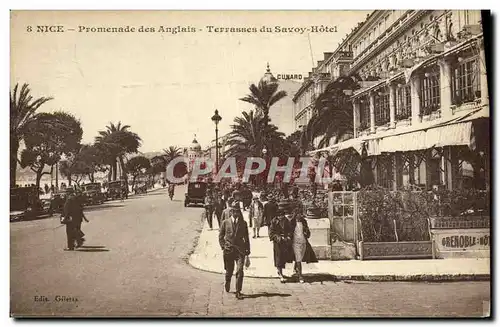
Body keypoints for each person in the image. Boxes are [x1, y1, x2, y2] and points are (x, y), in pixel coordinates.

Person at [218, 202, 250, 300]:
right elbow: (220, 237)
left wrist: (248, 250)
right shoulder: (225, 222)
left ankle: (238, 291)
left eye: (238, 211)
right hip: (229, 250)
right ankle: (227, 281)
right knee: (229, 271)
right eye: (234, 211)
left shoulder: (243, 223)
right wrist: (223, 246)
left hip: (240, 251)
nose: (236, 213)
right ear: (231, 212)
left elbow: (246, 238)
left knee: (240, 270)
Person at [288, 206, 318, 283]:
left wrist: (306, 233)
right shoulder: (292, 222)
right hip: (295, 242)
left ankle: (295, 269)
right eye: (298, 214)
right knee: (298, 258)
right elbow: (289, 232)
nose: (300, 215)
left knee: (300, 257)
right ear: (295, 214)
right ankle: (300, 276)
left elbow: (307, 231)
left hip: (303, 242)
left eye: (301, 214)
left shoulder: (304, 221)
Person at [269, 204, 294, 283]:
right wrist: (279, 238)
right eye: (279, 216)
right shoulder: (274, 221)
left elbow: (290, 230)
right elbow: (271, 233)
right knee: (278, 257)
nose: (281, 217)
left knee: (284, 258)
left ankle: (280, 271)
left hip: (286, 242)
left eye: (282, 216)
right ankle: (280, 274)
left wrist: (289, 237)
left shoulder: (286, 221)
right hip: (278, 242)